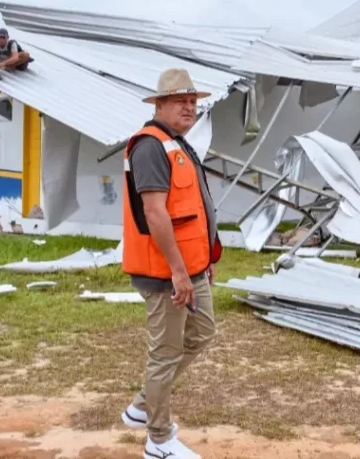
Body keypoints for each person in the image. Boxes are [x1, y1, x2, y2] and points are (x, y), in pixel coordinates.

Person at [120, 68, 222, 459]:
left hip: (192, 267)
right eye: (181, 100)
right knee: (164, 354)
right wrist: (179, 271)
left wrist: (206, 256)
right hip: (165, 273)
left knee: (202, 333)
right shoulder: (150, 147)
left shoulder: (179, 144)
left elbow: (194, 208)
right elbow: (156, 213)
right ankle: (158, 440)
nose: (189, 107)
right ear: (159, 104)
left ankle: (143, 403)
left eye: (193, 101)